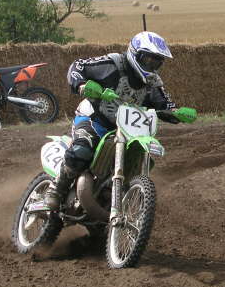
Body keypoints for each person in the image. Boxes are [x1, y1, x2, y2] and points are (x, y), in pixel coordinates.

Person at [43, 31, 185, 212]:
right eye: (148, 59)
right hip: (94, 119)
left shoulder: (153, 83)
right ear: (135, 53)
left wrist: (176, 112)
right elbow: (78, 66)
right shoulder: (113, 64)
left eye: (156, 61)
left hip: (127, 130)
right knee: (82, 150)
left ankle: (117, 200)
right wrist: (82, 85)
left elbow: (163, 104)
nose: (151, 65)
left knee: (137, 158)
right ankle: (56, 188)